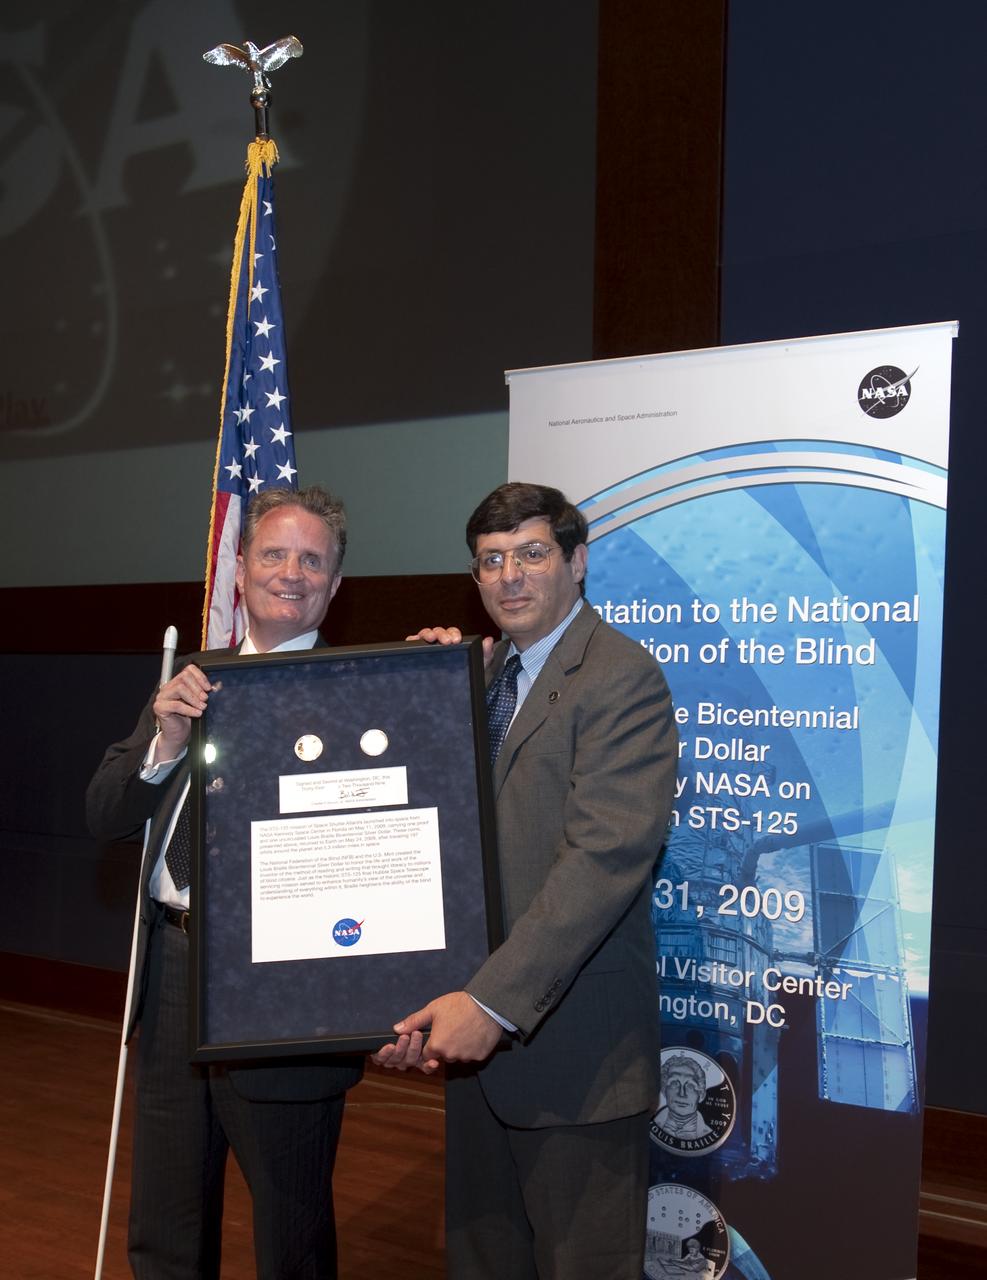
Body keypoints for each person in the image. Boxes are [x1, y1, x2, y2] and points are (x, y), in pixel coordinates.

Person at [375, 481, 678, 1279]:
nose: (509, 576)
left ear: (577, 562)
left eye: (532, 554)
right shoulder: (476, 675)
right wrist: (420, 695)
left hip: (573, 1053)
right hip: (476, 1053)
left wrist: (491, 1002)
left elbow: (603, 859)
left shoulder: (618, 677)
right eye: (490, 561)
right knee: (482, 1260)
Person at [87, 486, 363, 1280]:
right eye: (273, 554)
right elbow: (103, 811)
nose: (291, 572)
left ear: (335, 586)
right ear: (238, 572)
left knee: (290, 1228)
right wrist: (167, 741)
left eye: (312, 560)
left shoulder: (362, 689)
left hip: (286, 992)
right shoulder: (190, 680)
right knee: (166, 1218)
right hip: (173, 973)